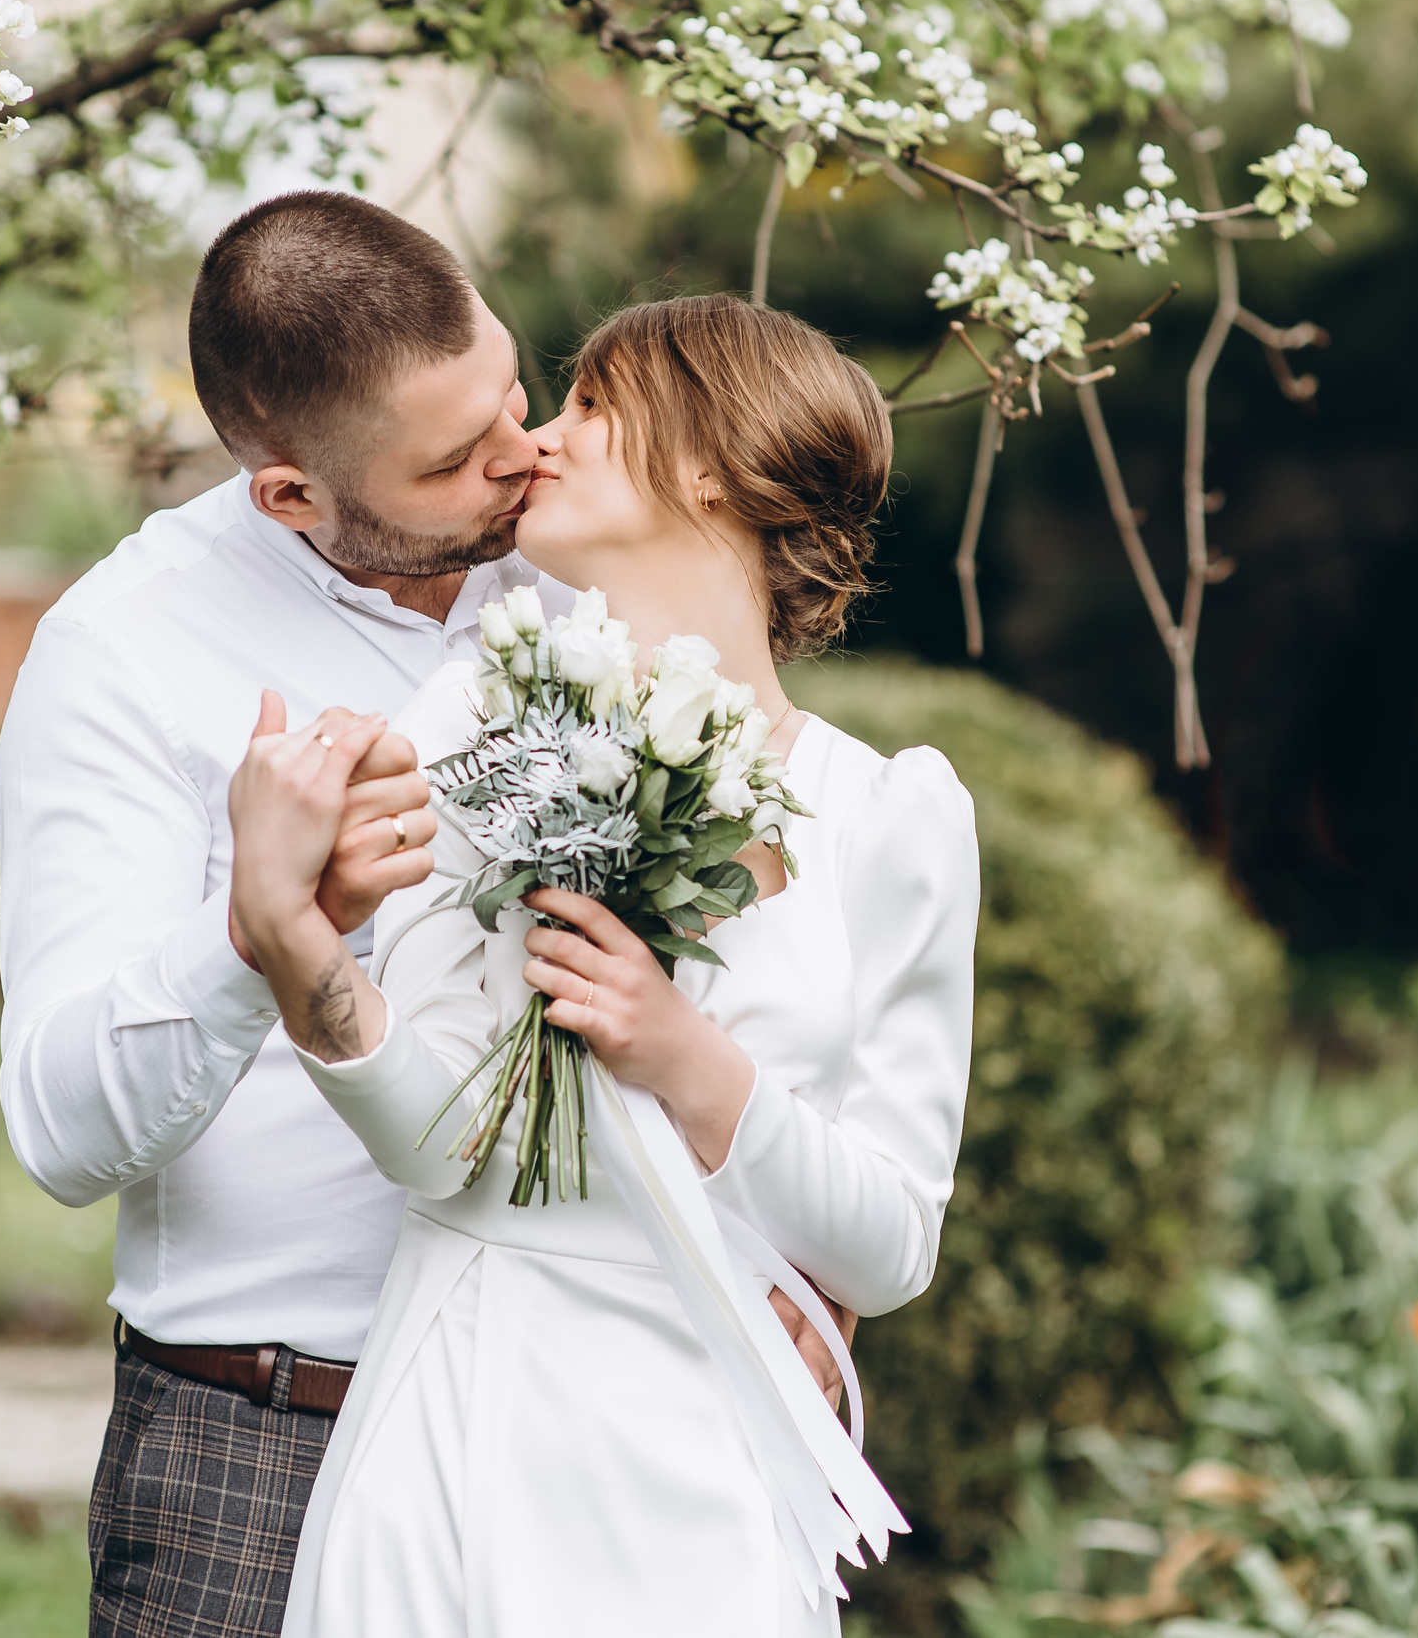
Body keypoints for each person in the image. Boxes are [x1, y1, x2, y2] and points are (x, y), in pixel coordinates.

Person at [0, 195, 853, 1638]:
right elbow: (59, 1130)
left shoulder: (584, 555)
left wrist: (811, 1287)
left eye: (515, 395)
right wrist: (256, 932)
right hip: (267, 1439)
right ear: (290, 494)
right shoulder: (121, 654)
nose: (521, 454)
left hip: (595, 1427)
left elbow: (776, 961)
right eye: (457, 458)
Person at [224, 295, 981, 1634]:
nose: (537, 440)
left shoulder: (889, 815)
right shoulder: (473, 723)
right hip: (465, 1414)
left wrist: (690, 1064)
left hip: (703, 1463)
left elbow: (891, 1242)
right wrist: (296, 953)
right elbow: (438, 1144)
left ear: (711, 461)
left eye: (589, 405)